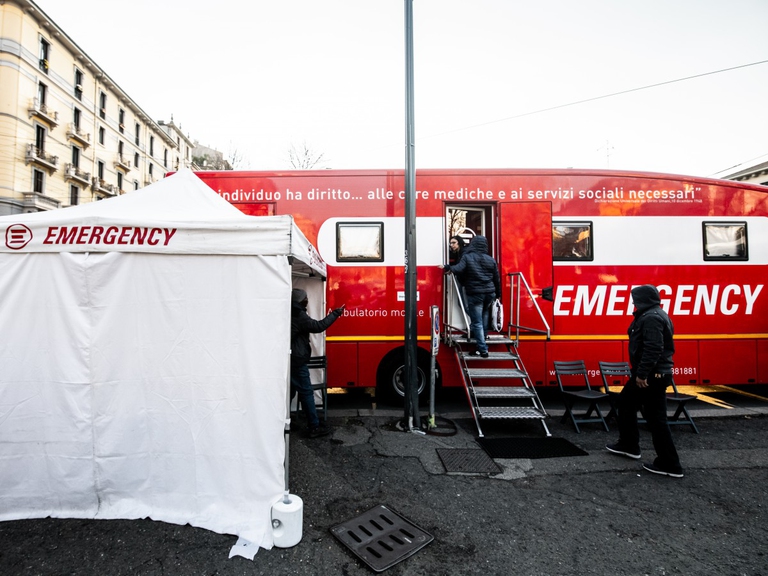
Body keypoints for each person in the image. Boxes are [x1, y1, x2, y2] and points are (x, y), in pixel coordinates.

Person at [606, 284, 684, 478]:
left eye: (635, 298)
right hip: (654, 374)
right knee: (629, 405)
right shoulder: (655, 314)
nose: (633, 302)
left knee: (652, 417)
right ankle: (630, 445)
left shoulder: (651, 318)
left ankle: (668, 463)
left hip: (651, 376)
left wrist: (641, 374)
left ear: (643, 300)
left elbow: (653, 348)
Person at [290, 288, 345, 438]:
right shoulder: (298, 314)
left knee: (290, 392)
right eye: (305, 298)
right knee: (306, 392)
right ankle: (314, 426)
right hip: (297, 360)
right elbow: (318, 326)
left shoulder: (291, 312)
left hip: (291, 359)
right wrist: (335, 313)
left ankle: (285, 421)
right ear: (300, 300)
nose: (307, 300)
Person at [440, 235, 500, 358]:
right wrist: (498, 294)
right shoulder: (491, 259)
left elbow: (458, 269)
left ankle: (483, 349)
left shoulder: (467, 257)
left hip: (475, 293)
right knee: (484, 315)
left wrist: (447, 267)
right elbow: (496, 279)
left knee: (477, 322)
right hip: (489, 293)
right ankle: (483, 338)